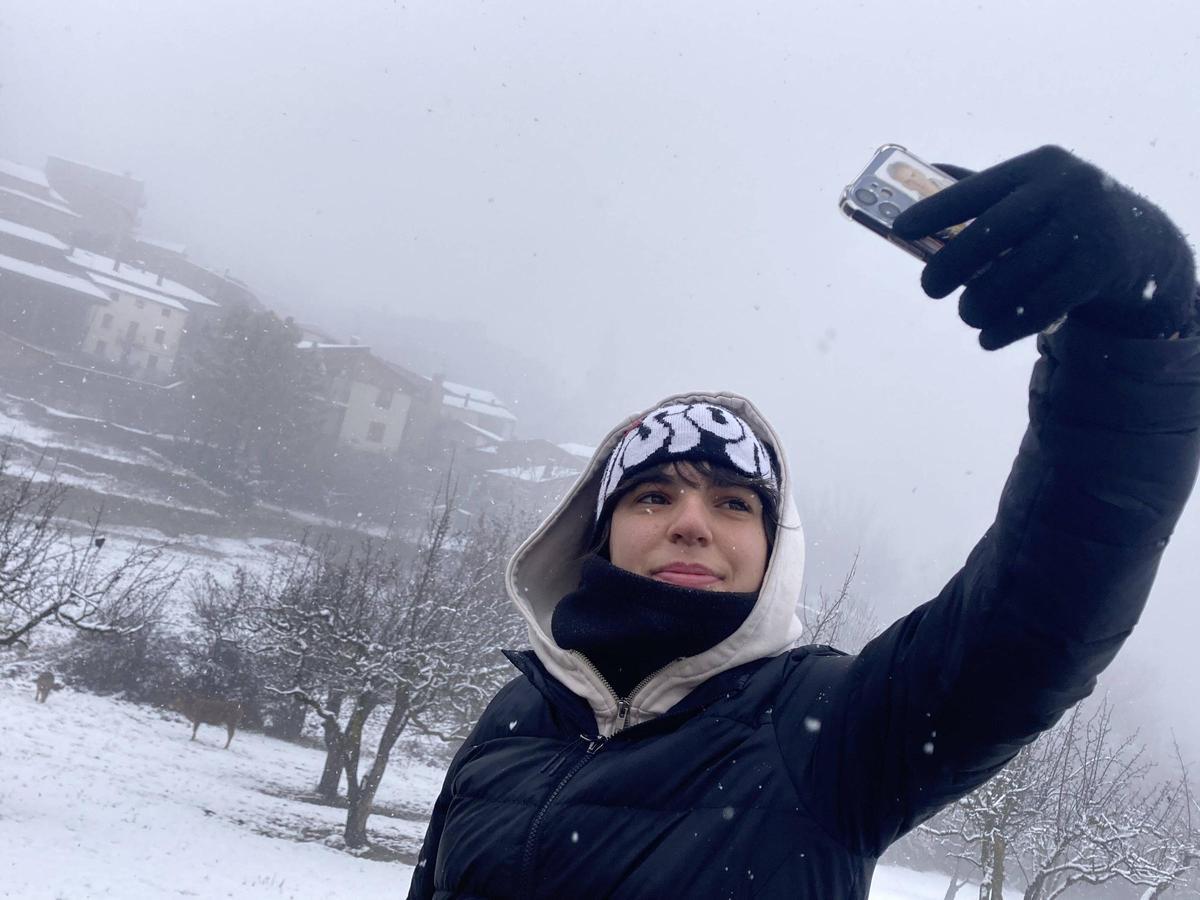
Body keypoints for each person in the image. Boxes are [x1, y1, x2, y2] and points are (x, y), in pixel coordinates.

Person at [407, 145, 1200, 899]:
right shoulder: (516, 715)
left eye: (732, 502)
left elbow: (1040, 616)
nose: (691, 523)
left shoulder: (829, 731)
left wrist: (1138, 337)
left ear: (772, 545)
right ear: (600, 530)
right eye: (653, 496)